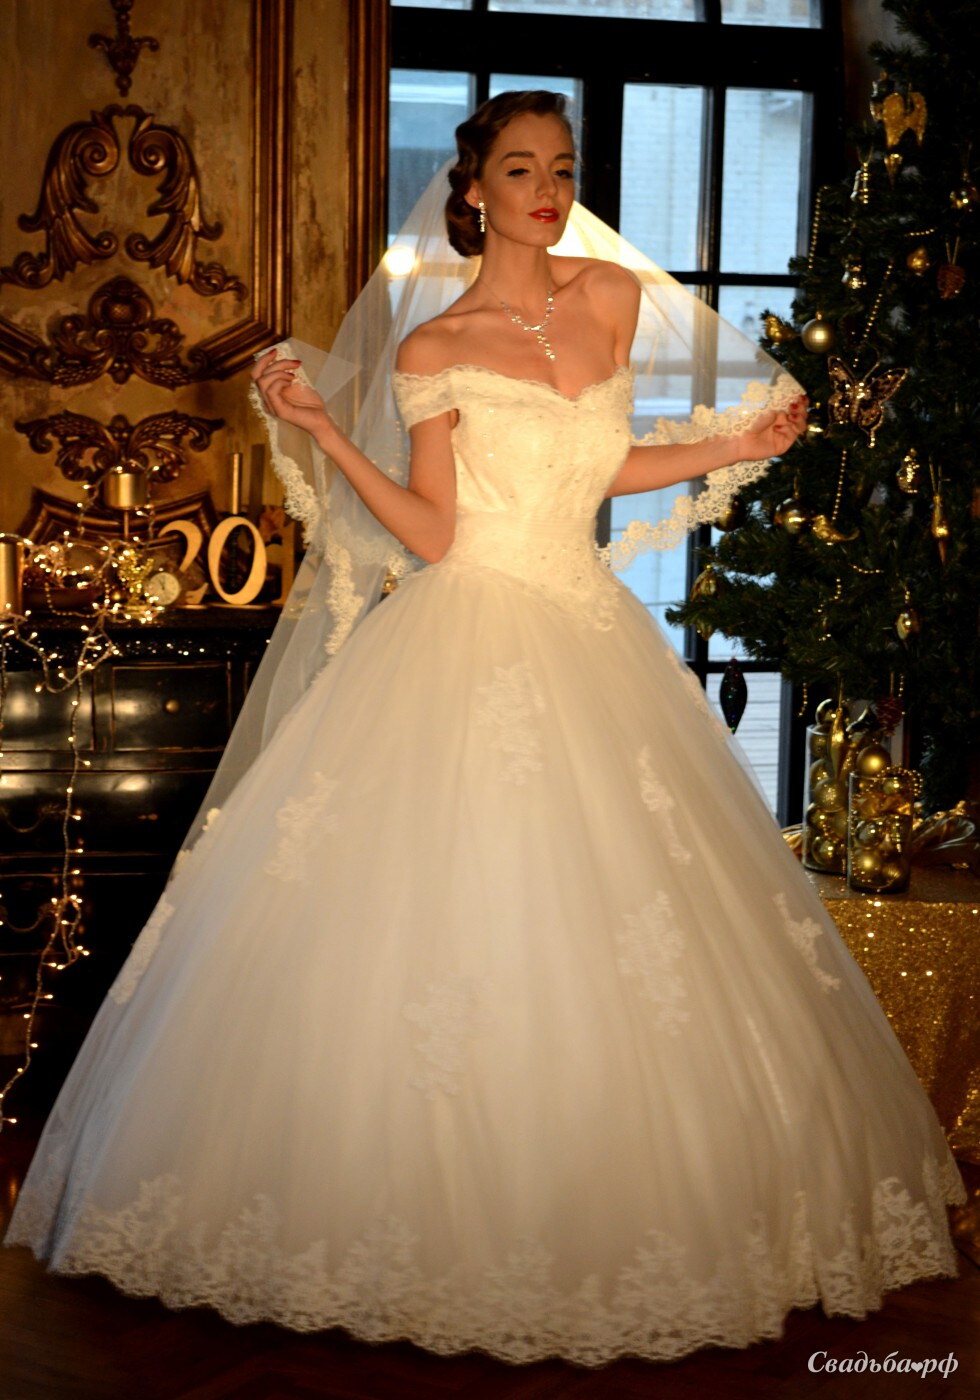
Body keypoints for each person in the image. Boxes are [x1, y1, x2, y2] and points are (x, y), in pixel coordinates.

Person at [4, 91, 965, 1368]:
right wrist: (325, 431)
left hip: (587, 627)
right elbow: (435, 530)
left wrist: (736, 441)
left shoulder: (609, 299)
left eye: (560, 168)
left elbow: (599, 466)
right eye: (520, 169)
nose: (546, 190)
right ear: (472, 190)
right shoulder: (434, 343)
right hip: (466, 626)